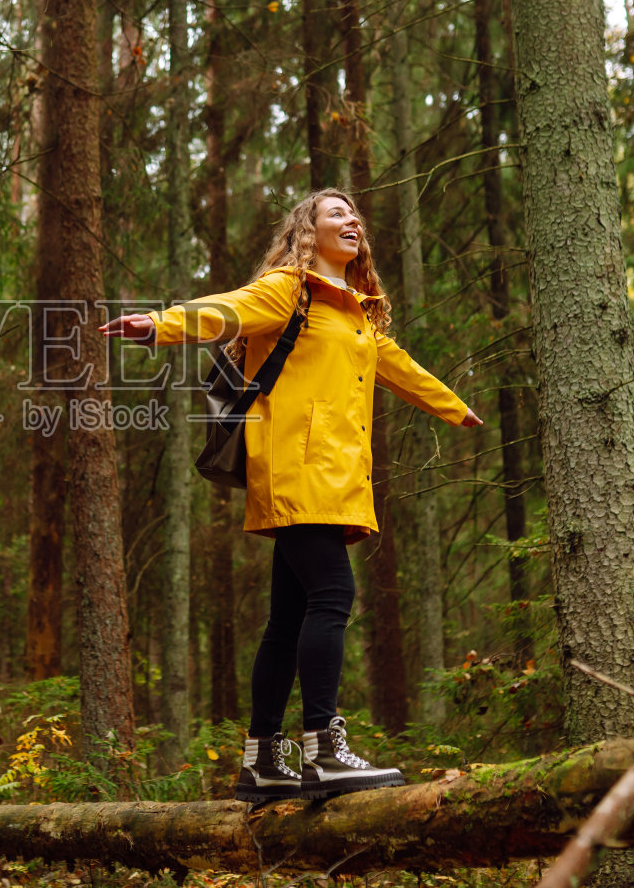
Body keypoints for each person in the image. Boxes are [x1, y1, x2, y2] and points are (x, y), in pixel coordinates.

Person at [100, 189, 481, 803]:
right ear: (309, 230)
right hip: (298, 468)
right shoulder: (289, 289)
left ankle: (261, 761)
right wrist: (158, 325)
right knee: (333, 595)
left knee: (286, 620)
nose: (351, 220)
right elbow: (226, 309)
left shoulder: (356, 314)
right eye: (336, 213)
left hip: (334, 475)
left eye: (354, 214)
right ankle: (323, 751)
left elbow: (400, 367)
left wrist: (455, 408)